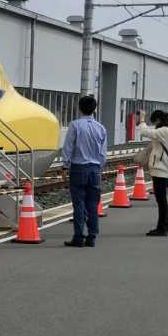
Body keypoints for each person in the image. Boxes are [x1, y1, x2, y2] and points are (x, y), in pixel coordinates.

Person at [61, 95, 107, 247]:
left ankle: (78, 237)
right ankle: (92, 237)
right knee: (93, 205)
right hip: (94, 169)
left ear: (79, 108)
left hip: (78, 169)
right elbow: (103, 153)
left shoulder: (75, 125)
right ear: (95, 109)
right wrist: (98, 167)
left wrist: (65, 166)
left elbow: (68, 147)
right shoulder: (101, 127)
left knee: (79, 204)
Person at [138, 110, 168, 235]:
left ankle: (163, 228)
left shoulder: (164, 131)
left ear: (158, 120)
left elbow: (144, 132)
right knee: (162, 200)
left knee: (161, 200)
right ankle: (163, 226)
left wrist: (142, 119)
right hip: (164, 168)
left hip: (161, 169)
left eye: (154, 122)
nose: (154, 125)